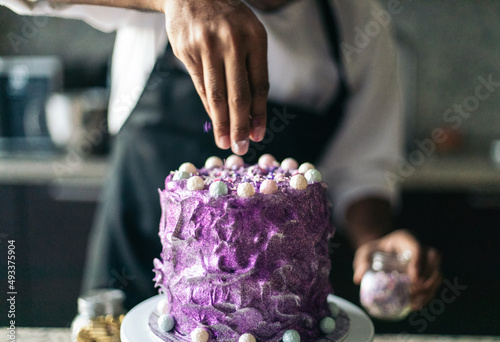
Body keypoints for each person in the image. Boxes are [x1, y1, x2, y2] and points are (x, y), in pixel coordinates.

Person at [3, 0, 441, 310]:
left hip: (272, 310)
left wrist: (374, 241)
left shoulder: (358, 21)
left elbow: (361, 167)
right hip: (135, 263)